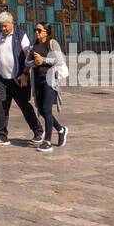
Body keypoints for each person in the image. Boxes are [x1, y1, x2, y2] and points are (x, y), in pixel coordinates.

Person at [0, 12, 43, 147]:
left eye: (6, 26)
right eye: (1, 26)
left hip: (18, 79)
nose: (3, 29)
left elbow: (29, 55)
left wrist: (25, 73)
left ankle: (38, 131)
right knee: (1, 107)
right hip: (2, 79)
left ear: (11, 24)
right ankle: (1, 136)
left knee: (24, 106)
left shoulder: (20, 35)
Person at [29, 21, 69, 152]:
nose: (36, 32)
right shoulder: (34, 45)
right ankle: (61, 129)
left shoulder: (52, 43)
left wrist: (44, 60)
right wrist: (35, 62)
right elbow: (27, 62)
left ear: (46, 32)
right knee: (41, 110)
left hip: (50, 80)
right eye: (35, 30)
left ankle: (47, 142)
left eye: (39, 30)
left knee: (46, 109)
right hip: (38, 81)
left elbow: (59, 60)